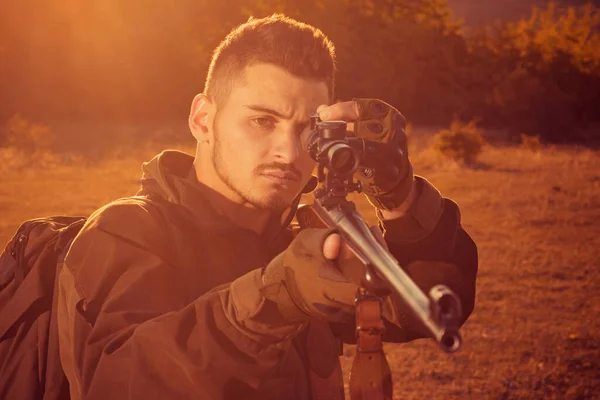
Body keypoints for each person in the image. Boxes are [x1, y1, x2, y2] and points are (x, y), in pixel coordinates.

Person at [56, 14, 478, 400]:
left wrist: (400, 195)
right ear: (203, 119)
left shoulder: (295, 240)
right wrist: (276, 298)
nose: (289, 152)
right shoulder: (123, 232)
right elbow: (116, 382)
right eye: (262, 121)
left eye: (308, 130)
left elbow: (426, 310)